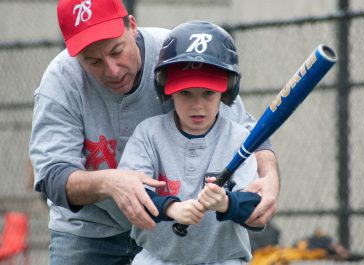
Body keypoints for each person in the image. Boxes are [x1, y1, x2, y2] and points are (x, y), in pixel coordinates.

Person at [29, 0, 280, 264]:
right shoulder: (60, 81)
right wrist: (110, 183)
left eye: (117, 51)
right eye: (94, 61)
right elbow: (52, 177)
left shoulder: (176, 53)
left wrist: (270, 178)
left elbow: (247, 131)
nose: (112, 70)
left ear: (133, 27)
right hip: (90, 228)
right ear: (76, 56)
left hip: (172, 237)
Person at [118, 21, 265, 265]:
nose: (198, 105)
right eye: (185, 93)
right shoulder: (148, 134)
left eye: (208, 93)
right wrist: (171, 209)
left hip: (223, 259)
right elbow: (132, 195)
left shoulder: (239, 139)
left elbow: (256, 206)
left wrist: (226, 203)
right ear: (167, 90)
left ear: (226, 90)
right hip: (158, 258)